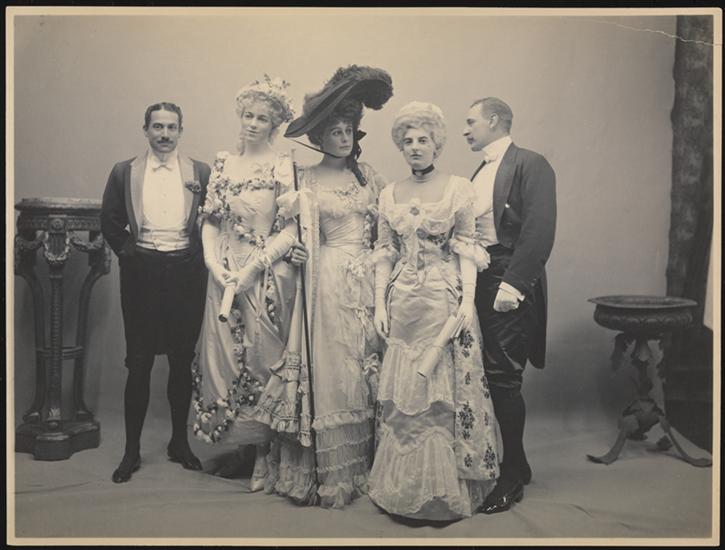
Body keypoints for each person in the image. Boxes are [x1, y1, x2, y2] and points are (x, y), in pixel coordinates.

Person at [258, 65, 393, 508]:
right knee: (335, 370)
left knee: (366, 365)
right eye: (335, 131)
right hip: (327, 280)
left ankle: (372, 464)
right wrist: (296, 252)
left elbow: (386, 231)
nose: (343, 137)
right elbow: (293, 234)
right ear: (319, 138)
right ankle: (336, 473)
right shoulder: (306, 179)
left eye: (348, 130)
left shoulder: (368, 176)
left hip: (368, 280)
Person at [368, 102, 499, 522]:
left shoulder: (458, 188)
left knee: (441, 390)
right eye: (407, 141)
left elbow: (466, 246)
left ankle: (442, 494)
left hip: (442, 299)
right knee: (406, 391)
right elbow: (384, 250)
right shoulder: (389, 193)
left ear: (436, 144)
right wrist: (379, 302)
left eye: (422, 139)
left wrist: (467, 299)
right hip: (403, 303)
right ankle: (403, 489)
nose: (415, 146)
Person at [190, 76, 306, 491]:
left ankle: (263, 453)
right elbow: (210, 220)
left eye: (262, 119)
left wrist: (254, 268)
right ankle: (238, 448)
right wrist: (212, 263)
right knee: (222, 360)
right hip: (223, 274)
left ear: (274, 125)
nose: (253, 124)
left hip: (264, 275)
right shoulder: (223, 163)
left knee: (261, 358)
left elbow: (290, 230)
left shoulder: (282, 165)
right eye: (248, 116)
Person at [101, 102, 211, 483]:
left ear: (181, 130)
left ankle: (179, 443)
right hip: (142, 274)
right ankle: (131, 452)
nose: (164, 134)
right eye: (158, 127)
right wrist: (130, 253)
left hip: (186, 274)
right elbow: (109, 220)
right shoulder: (124, 171)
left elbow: (214, 221)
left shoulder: (200, 172)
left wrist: (197, 255)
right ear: (145, 129)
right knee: (139, 362)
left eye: (171, 127)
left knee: (182, 360)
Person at [463, 97, 556, 513]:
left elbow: (539, 230)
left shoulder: (530, 163)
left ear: (494, 120)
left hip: (508, 276)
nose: (465, 129)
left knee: (503, 375)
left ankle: (512, 475)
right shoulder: (481, 169)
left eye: (471, 121)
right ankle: (518, 462)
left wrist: (513, 286)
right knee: (488, 371)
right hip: (481, 275)